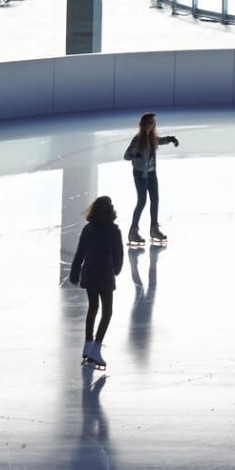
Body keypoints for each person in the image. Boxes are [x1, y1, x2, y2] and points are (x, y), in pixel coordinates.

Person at [68, 195, 122, 369]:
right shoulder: (114, 230)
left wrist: (74, 273)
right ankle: (96, 348)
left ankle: (88, 344)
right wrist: (116, 269)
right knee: (107, 312)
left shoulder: (88, 229)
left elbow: (80, 253)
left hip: (89, 274)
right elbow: (118, 254)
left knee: (93, 308)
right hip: (104, 274)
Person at [123, 112, 181, 246]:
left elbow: (159, 140)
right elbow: (126, 155)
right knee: (142, 201)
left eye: (154, 123)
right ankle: (133, 231)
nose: (152, 125)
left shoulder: (151, 137)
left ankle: (154, 229)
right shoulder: (137, 140)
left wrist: (171, 139)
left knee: (155, 199)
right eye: (150, 123)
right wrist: (136, 157)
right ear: (144, 125)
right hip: (140, 174)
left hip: (152, 173)